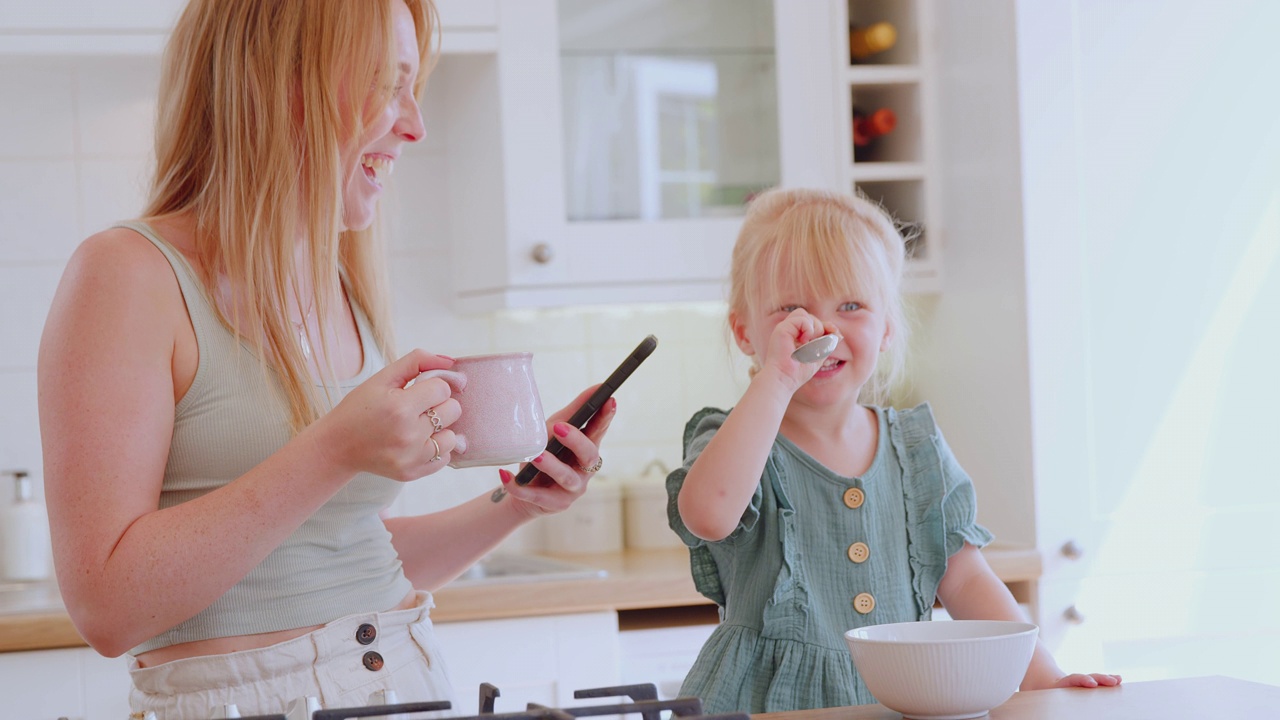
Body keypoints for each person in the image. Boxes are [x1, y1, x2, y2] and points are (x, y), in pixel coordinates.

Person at [36, 1, 616, 717]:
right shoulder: (128, 273)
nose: (414, 124)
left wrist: (515, 502)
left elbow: (335, 555)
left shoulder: (339, 279)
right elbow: (107, 606)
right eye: (386, 83)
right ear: (280, 83)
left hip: (407, 682)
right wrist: (334, 449)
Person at [665, 187, 1120, 713]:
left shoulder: (915, 448)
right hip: (762, 703)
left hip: (898, 697)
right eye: (791, 310)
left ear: (886, 328)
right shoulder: (734, 439)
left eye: (851, 306)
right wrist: (776, 379)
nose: (823, 330)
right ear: (745, 332)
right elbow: (708, 515)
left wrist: (1042, 675)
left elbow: (968, 578)